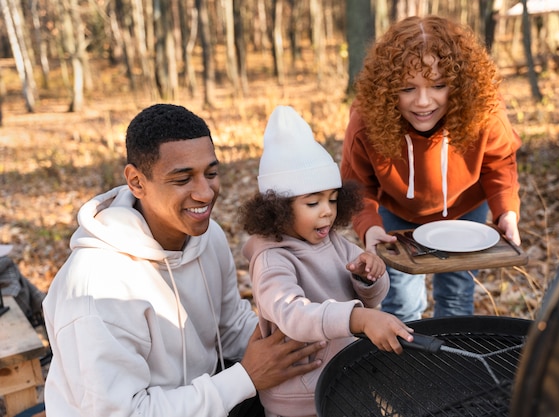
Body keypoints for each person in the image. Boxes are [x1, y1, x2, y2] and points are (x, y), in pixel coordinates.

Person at [42, 104, 327, 417]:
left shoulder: (209, 237)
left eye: (211, 173)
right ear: (136, 182)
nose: (205, 193)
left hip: (211, 398)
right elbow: (122, 413)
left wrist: (308, 333)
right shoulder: (95, 287)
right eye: (182, 179)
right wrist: (245, 378)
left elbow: (231, 327)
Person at [341, 15, 522, 321]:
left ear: (460, 84)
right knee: (402, 300)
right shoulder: (366, 123)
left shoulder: (483, 111)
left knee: (456, 293)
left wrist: (506, 211)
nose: (423, 102)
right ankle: (409, 364)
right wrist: (370, 227)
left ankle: (451, 362)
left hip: (465, 210)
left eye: (438, 85)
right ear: (386, 89)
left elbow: (499, 161)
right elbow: (357, 184)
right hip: (398, 212)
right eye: (407, 89)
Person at [239, 105, 414, 417]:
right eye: (312, 202)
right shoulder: (272, 259)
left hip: (345, 380)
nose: (327, 212)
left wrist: (368, 277)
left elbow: (370, 297)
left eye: (332, 200)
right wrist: (358, 320)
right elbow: (293, 315)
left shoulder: (331, 239)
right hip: (298, 400)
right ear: (277, 208)